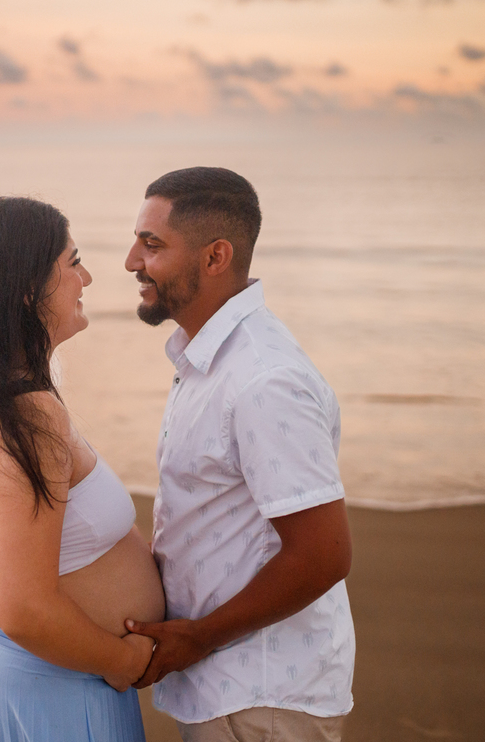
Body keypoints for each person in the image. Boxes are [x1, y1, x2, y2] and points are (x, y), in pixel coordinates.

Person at [123, 168, 355, 741]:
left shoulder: (262, 378)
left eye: (152, 245)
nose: (131, 260)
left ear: (215, 256)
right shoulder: (210, 361)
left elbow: (323, 554)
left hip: (263, 696)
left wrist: (199, 635)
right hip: (228, 688)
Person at [0, 196, 165, 742]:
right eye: (73, 262)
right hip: (55, 692)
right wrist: (119, 661)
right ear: (29, 289)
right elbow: (24, 608)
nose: (88, 278)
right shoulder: (26, 416)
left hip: (39, 678)